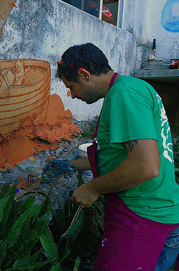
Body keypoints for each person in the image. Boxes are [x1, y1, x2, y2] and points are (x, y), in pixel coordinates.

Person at [56, 43, 179, 270]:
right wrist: (65, 166)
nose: (72, 96)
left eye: (71, 87)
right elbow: (119, 157)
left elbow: (145, 166)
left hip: (143, 217)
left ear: (85, 74)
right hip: (157, 208)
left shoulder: (125, 94)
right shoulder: (129, 88)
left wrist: (92, 188)